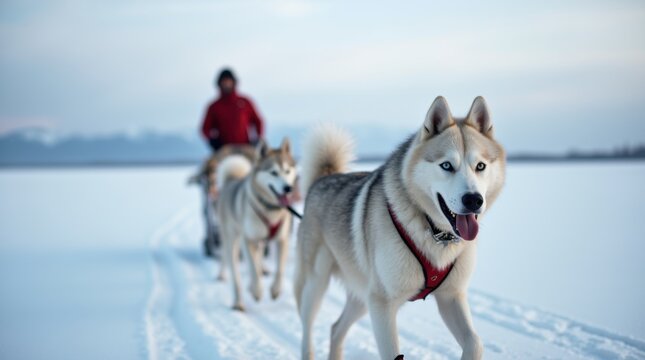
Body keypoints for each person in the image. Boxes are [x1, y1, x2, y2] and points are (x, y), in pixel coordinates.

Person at [201, 68, 264, 152]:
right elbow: (205, 128)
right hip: (224, 149)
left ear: (234, 82)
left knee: (257, 162)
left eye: (229, 81)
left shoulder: (245, 102)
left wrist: (258, 139)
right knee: (210, 165)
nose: (227, 84)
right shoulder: (214, 106)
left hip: (245, 147)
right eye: (224, 81)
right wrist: (213, 141)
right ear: (219, 84)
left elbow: (258, 121)